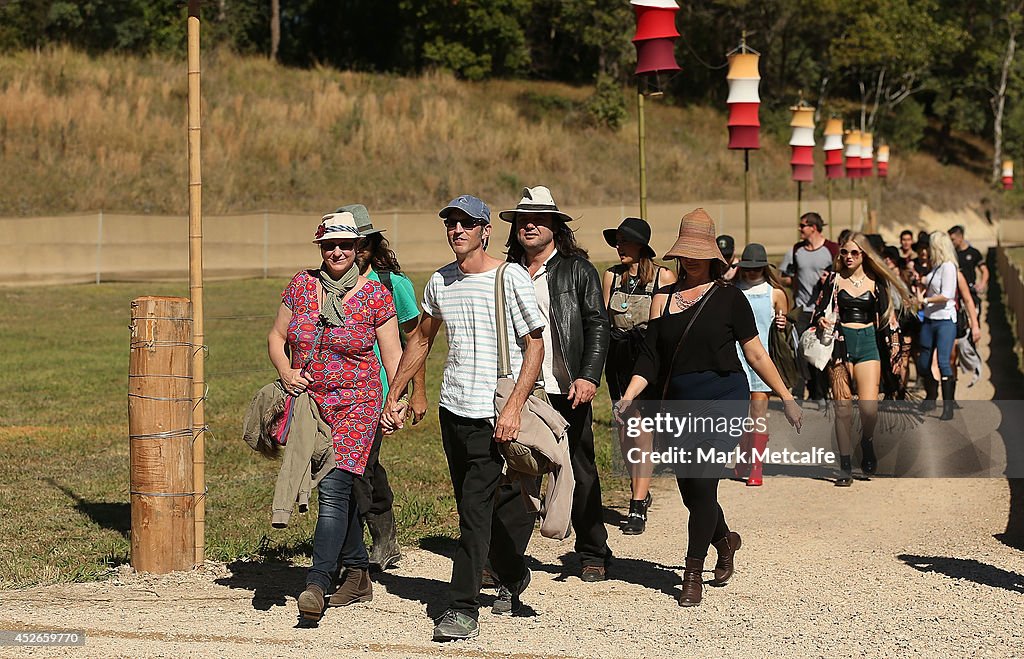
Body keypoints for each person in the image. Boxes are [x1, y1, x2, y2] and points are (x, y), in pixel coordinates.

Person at [615, 209, 802, 607]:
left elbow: (755, 352)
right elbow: (650, 356)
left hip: (723, 400)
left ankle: (692, 571)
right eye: (687, 252)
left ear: (713, 255)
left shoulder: (730, 299)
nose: (693, 259)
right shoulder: (662, 298)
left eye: (700, 252)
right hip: (678, 403)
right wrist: (629, 395)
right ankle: (726, 540)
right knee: (693, 492)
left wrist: (785, 396)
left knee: (702, 483)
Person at [381, 194, 545, 642]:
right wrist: (394, 394)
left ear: (485, 230)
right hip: (453, 411)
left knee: (473, 512)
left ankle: (461, 608)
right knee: (477, 507)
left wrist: (513, 407)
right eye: (451, 224)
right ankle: (513, 572)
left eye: (466, 224)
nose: (457, 231)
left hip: (494, 411)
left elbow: (535, 346)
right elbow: (421, 342)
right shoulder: (440, 281)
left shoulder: (509, 277)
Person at [267, 211, 402, 621]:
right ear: (321, 248)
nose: (337, 252)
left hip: (358, 403)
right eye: (329, 246)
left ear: (359, 247)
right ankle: (358, 573)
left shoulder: (375, 294)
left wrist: (394, 401)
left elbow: (393, 353)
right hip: (312, 404)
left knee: (332, 488)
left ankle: (317, 582)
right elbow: (276, 336)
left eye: (345, 245)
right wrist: (286, 371)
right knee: (335, 491)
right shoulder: (302, 285)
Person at [494, 186, 613, 582]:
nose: (529, 226)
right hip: (520, 388)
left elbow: (597, 323)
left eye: (539, 220)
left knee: (578, 467)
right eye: (523, 221)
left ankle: (593, 549)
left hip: (565, 387)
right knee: (515, 468)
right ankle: (506, 557)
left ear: (555, 227)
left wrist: (588, 375)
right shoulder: (505, 271)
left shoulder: (577, 269)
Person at [340, 203, 426, 573]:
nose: (354, 251)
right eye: (347, 242)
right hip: (335, 391)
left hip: (377, 391)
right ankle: (371, 537)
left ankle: (362, 545)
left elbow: (415, 339)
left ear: (373, 245)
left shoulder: (392, 283)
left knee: (360, 466)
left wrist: (416, 391)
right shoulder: (324, 284)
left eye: (361, 244)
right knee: (352, 466)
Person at [813, 233, 911, 486]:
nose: (848, 257)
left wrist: (896, 349)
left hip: (868, 343)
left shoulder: (877, 282)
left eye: (854, 253)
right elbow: (817, 310)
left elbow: (890, 318)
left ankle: (866, 442)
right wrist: (821, 320)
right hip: (839, 345)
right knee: (842, 409)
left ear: (864, 255)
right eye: (844, 252)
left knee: (868, 407)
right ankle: (845, 466)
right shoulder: (833, 280)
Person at [602, 217, 677, 534]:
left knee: (641, 428)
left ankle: (636, 505)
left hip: (648, 361)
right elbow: (603, 321)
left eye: (624, 241)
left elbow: (671, 326)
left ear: (641, 245)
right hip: (618, 359)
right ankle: (640, 487)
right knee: (624, 431)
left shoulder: (663, 276)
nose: (618, 246)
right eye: (617, 240)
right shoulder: (611, 277)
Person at [732, 243, 789, 487]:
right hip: (735, 359)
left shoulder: (775, 293)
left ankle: (756, 465)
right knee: (739, 417)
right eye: (748, 268)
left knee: (758, 415)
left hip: (762, 360)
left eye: (757, 268)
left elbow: (782, 331)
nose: (752, 272)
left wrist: (783, 323)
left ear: (765, 268)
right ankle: (745, 453)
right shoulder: (733, 291)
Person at [780, 212, 839, 407]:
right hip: (801, 309)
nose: (800, 229)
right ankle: (798, 393)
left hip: (822, 311)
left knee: (820, 351)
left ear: (813, 227)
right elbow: (790, 276)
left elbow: (840, 277)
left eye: (803, 225)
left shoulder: (832, 249)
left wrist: (829, 279)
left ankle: (820, 394)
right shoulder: (797, 249)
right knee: (799, 350)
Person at [914, 231, 960, 420]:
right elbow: (928, 281)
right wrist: (918, 280)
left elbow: (947, 294)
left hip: (944, 320)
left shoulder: (949, 267)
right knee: (923, 362)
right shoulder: (936, 267)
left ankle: (947, 407)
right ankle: (931, 394)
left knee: (943, 362)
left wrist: (924, 300)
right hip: (930, 319)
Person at [948, 225, 988, 320]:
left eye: (953, 239)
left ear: (960, 237)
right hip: (956, 294)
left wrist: (982, 284)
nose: (951, 243)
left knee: (973, 319)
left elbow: (984, 270)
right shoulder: (951, 254)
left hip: (971, 293)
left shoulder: (974, 253)